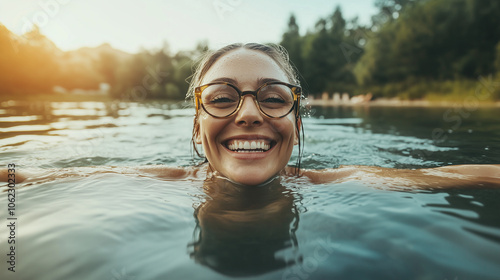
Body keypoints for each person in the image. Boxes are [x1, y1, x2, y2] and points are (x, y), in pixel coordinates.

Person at [2, 42, 499, 188]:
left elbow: (447, 175)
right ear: (197, 124)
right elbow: (32, 176)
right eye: (221, 97)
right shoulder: (165, 178)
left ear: (297, 121)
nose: (247, 114)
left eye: (274, 97)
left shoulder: (332, 180)